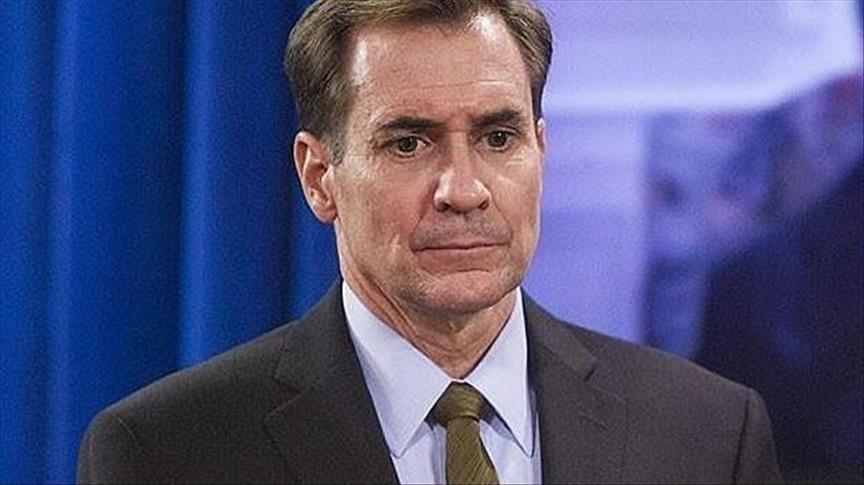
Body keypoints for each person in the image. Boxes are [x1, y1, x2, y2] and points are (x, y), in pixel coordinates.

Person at [77, 1, 782, 483]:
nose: (463, 189)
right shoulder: (168, 453)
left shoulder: (709, 435)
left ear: (541, 152)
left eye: (498, 137)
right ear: (320, 177)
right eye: (408, 143)